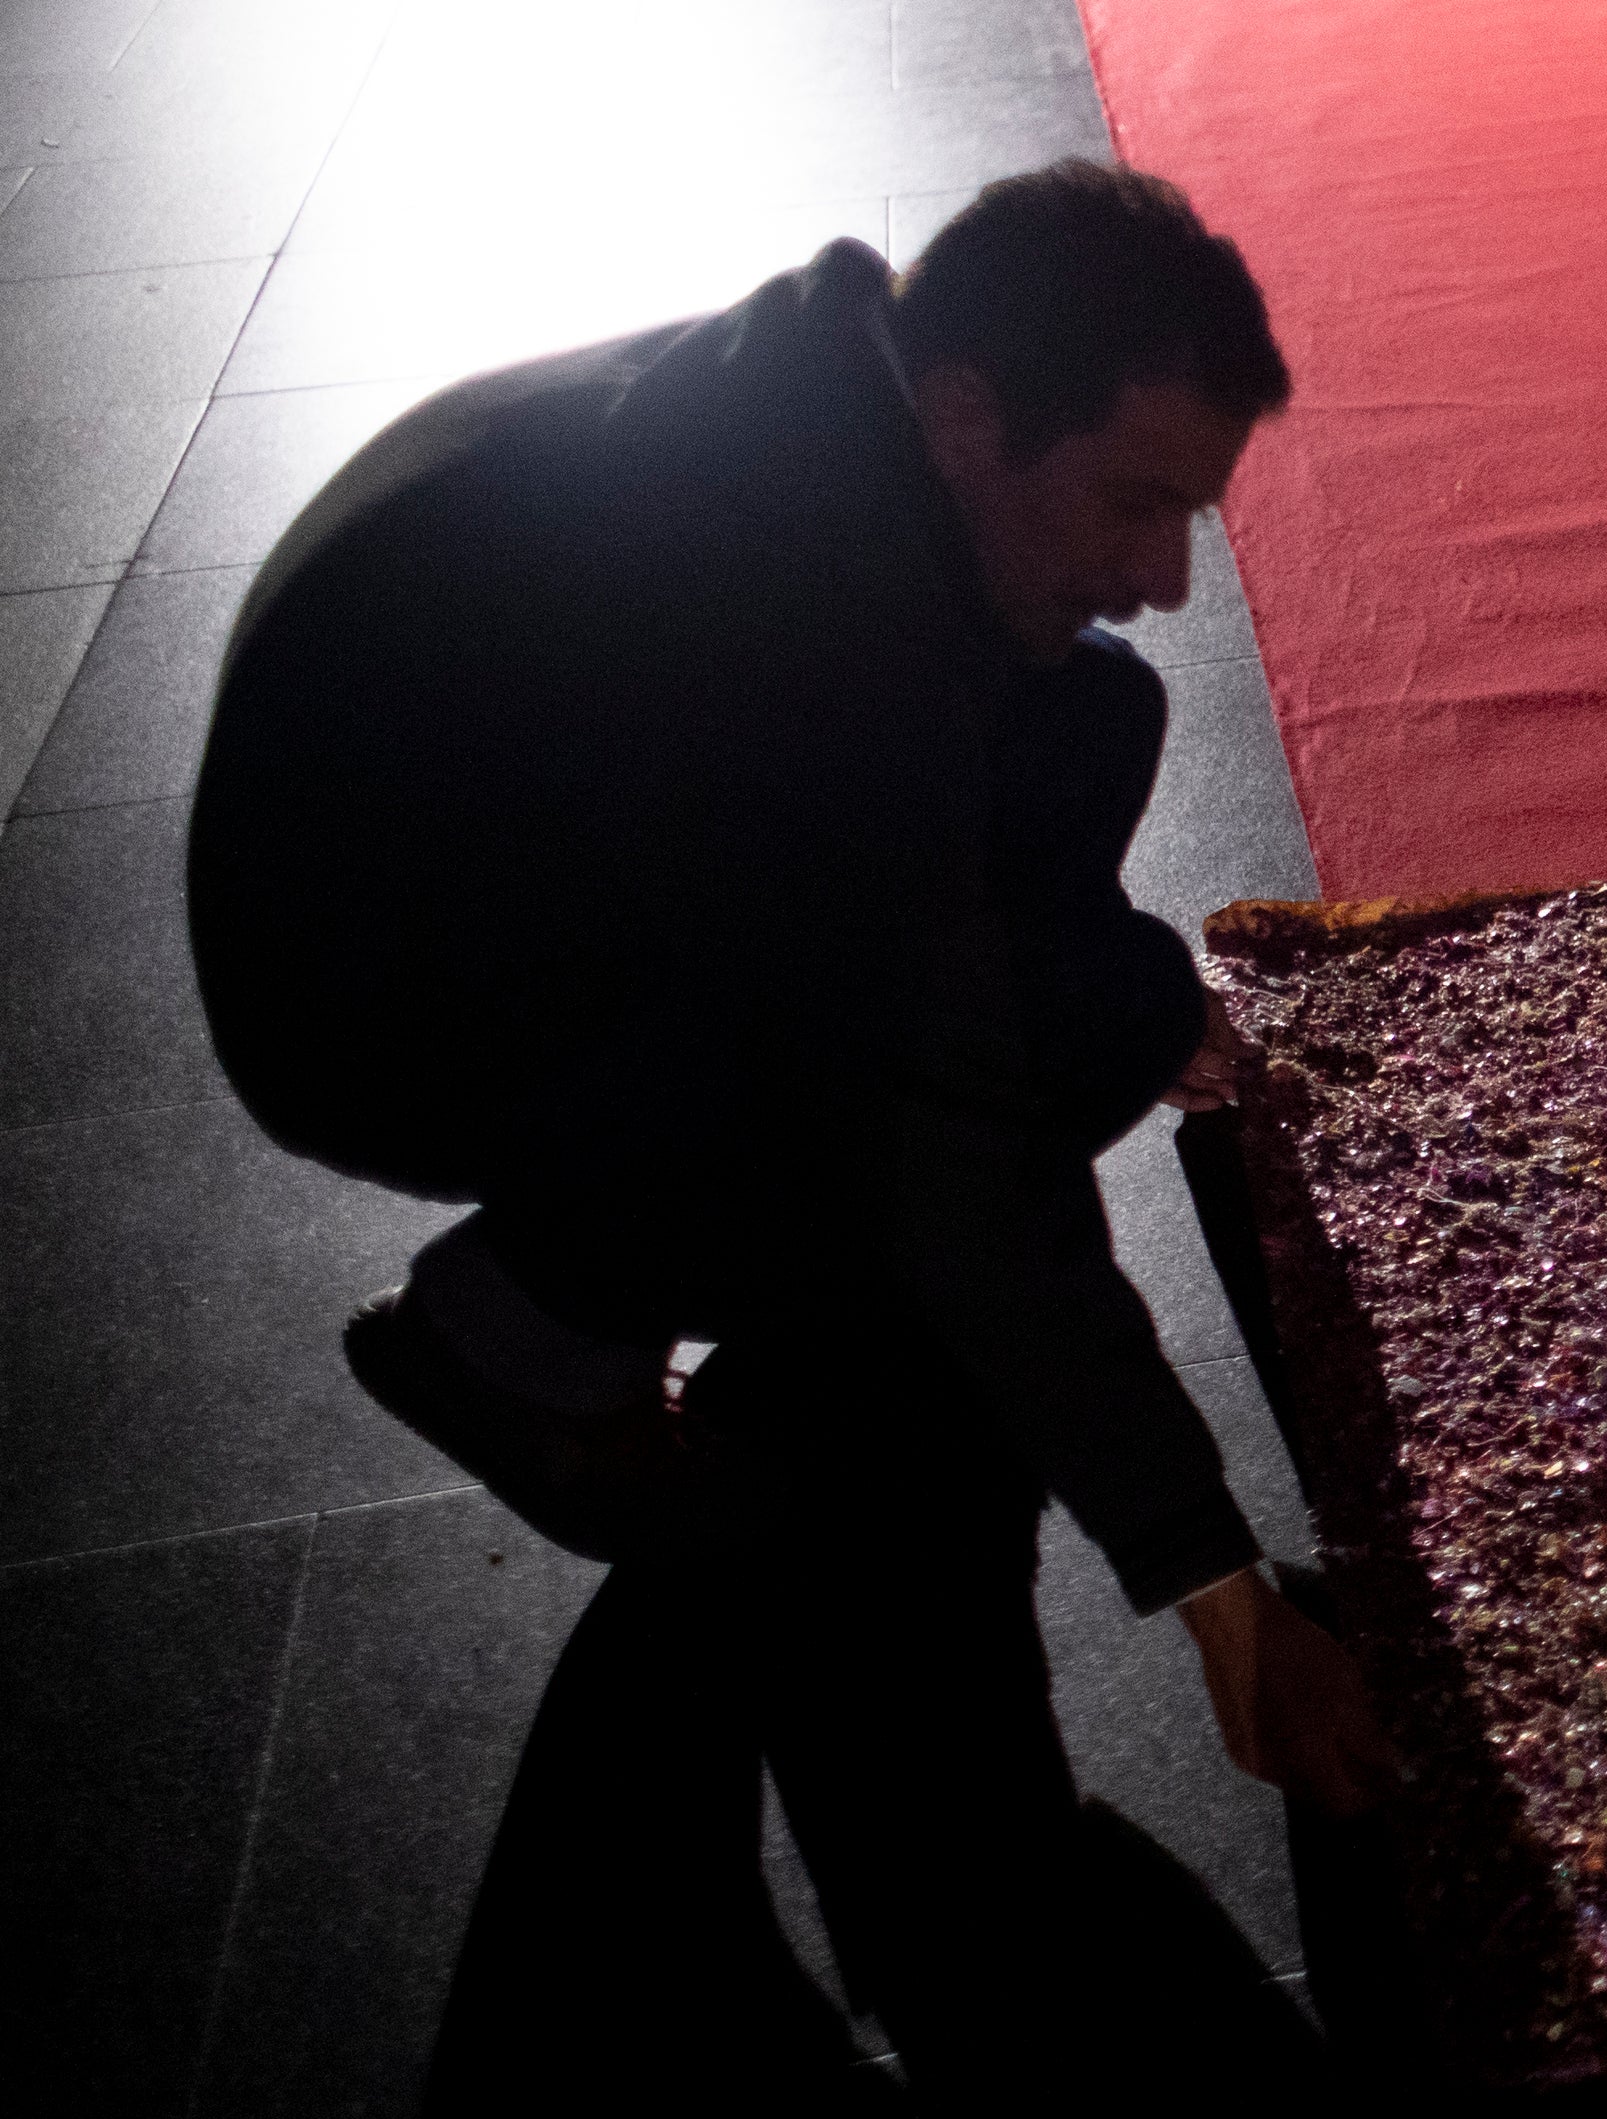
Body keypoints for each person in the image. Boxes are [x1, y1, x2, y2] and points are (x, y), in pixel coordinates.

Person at [189, 159, 1393, 1811]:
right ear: (966, 413)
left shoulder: (849, 382)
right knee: (1065, 1028)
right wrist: (1218, 1588)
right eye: (1133, 502)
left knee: (1094, 708)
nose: (1171, 573)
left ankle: (657, 1208)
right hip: (375, 998)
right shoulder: (805, 621)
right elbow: (966, 1149)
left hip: (495, 829)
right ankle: (520, 1333)